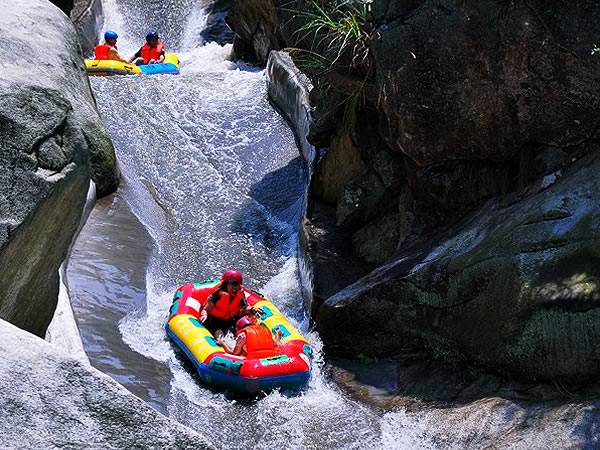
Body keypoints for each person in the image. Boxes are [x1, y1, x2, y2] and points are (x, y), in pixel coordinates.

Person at [199, 270, 256, 335]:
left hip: (229, 320)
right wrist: (204, 315)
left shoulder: (240, 294)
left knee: (245, 324)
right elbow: (206, 309)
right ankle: (222, 342)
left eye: (236, 284)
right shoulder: (217, 294)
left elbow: (245, 307)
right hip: (214, 321)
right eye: (232, 284)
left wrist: (252, 309)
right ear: (226, 284)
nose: (234, 287)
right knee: (219, 334)